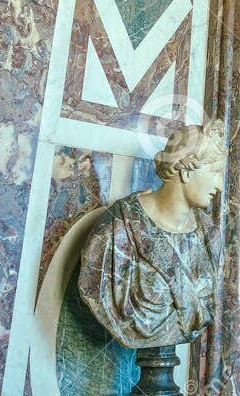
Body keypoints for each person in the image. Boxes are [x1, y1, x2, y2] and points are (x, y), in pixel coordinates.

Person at [78, 123, 225, 349]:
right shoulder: (118, 228)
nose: (220, 186)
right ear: (186, 170)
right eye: (215, 172)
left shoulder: (210, 235)